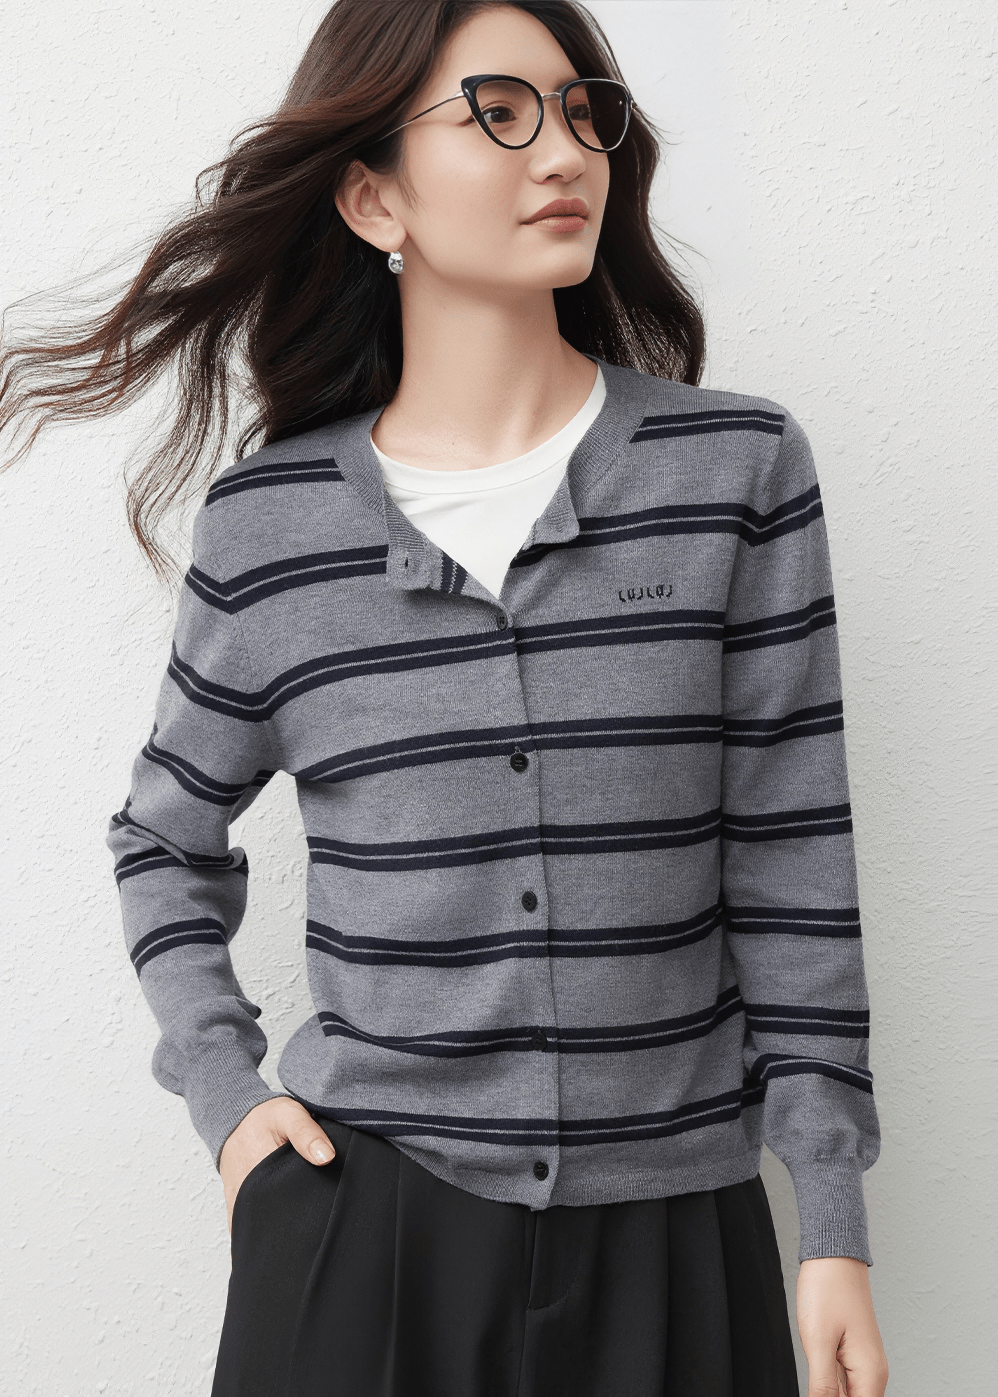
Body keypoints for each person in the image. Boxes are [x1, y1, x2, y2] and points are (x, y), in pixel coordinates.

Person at [0, 2, 889, 1393]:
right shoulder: (271, 525)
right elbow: (163, 839)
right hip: (365, 1231)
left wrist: (829, 1212)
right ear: (373, 200)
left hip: (673, 1235)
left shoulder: (733, 472)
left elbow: (789, 855)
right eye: (499, 114)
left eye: (582, 111)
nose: (565, 153)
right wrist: (231, 1106)